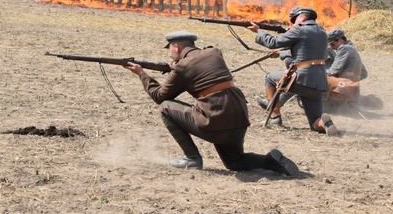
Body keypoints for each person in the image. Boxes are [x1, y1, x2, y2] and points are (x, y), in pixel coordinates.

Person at [123, 30, 300, 176]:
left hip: (215, 122)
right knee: (235, 162)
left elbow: (159, 96)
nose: (169, 51)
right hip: (239, 119)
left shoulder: (181, 67)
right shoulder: (214, 52)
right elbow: (202, 69)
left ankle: (191, 158)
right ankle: (269, 161)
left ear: (176, 47)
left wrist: (142, 74)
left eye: (169, 48)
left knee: (165, 108)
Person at [248, 6, 339, 136]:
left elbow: (273, 42)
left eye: (294, 19)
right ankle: (324, 123)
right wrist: (281, 52)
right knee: (315, 123)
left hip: (302, 80)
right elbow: (303, 48)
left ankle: (275, 118)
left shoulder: (300, 30)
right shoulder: (322, 32)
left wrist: (259, 31)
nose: (293, 23)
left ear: (302, 17)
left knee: (269, 77)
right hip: (319, 83)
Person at [324, 28, 368, 107]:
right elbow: (364, 73)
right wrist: (353, 81)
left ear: (340, 40)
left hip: (342, 92)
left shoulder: (344, 48)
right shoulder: (353, 49)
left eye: (332, 44)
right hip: (353, 93)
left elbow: (334, 70)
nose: (332, 48)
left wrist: (320, 72)